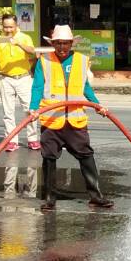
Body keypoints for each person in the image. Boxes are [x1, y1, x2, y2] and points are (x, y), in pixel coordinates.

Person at [30, 25, 114, 212]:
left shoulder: (81, 61)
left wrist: (97, 104)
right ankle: (50, 199)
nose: (61, 47)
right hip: (52, 120)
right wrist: (33, 109)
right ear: (52, 44)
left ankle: (96, 196)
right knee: (49, 158)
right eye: (58, 43)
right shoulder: (44, 61)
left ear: (71, 43)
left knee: (86, 156)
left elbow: (85, 87)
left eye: (65, 43)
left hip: (75, 120)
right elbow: (37, 87)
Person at [0, 14, 40, 153]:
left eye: (11, 26)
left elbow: (33, 52)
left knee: (29, 109)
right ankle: (11, 140)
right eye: (6, 27)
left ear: (16, 25)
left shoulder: (24, 37)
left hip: (24, 77)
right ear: (2, 26)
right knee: (8, 112)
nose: (8, 29)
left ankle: (32, 139)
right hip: (5, 78)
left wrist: (19, 43)